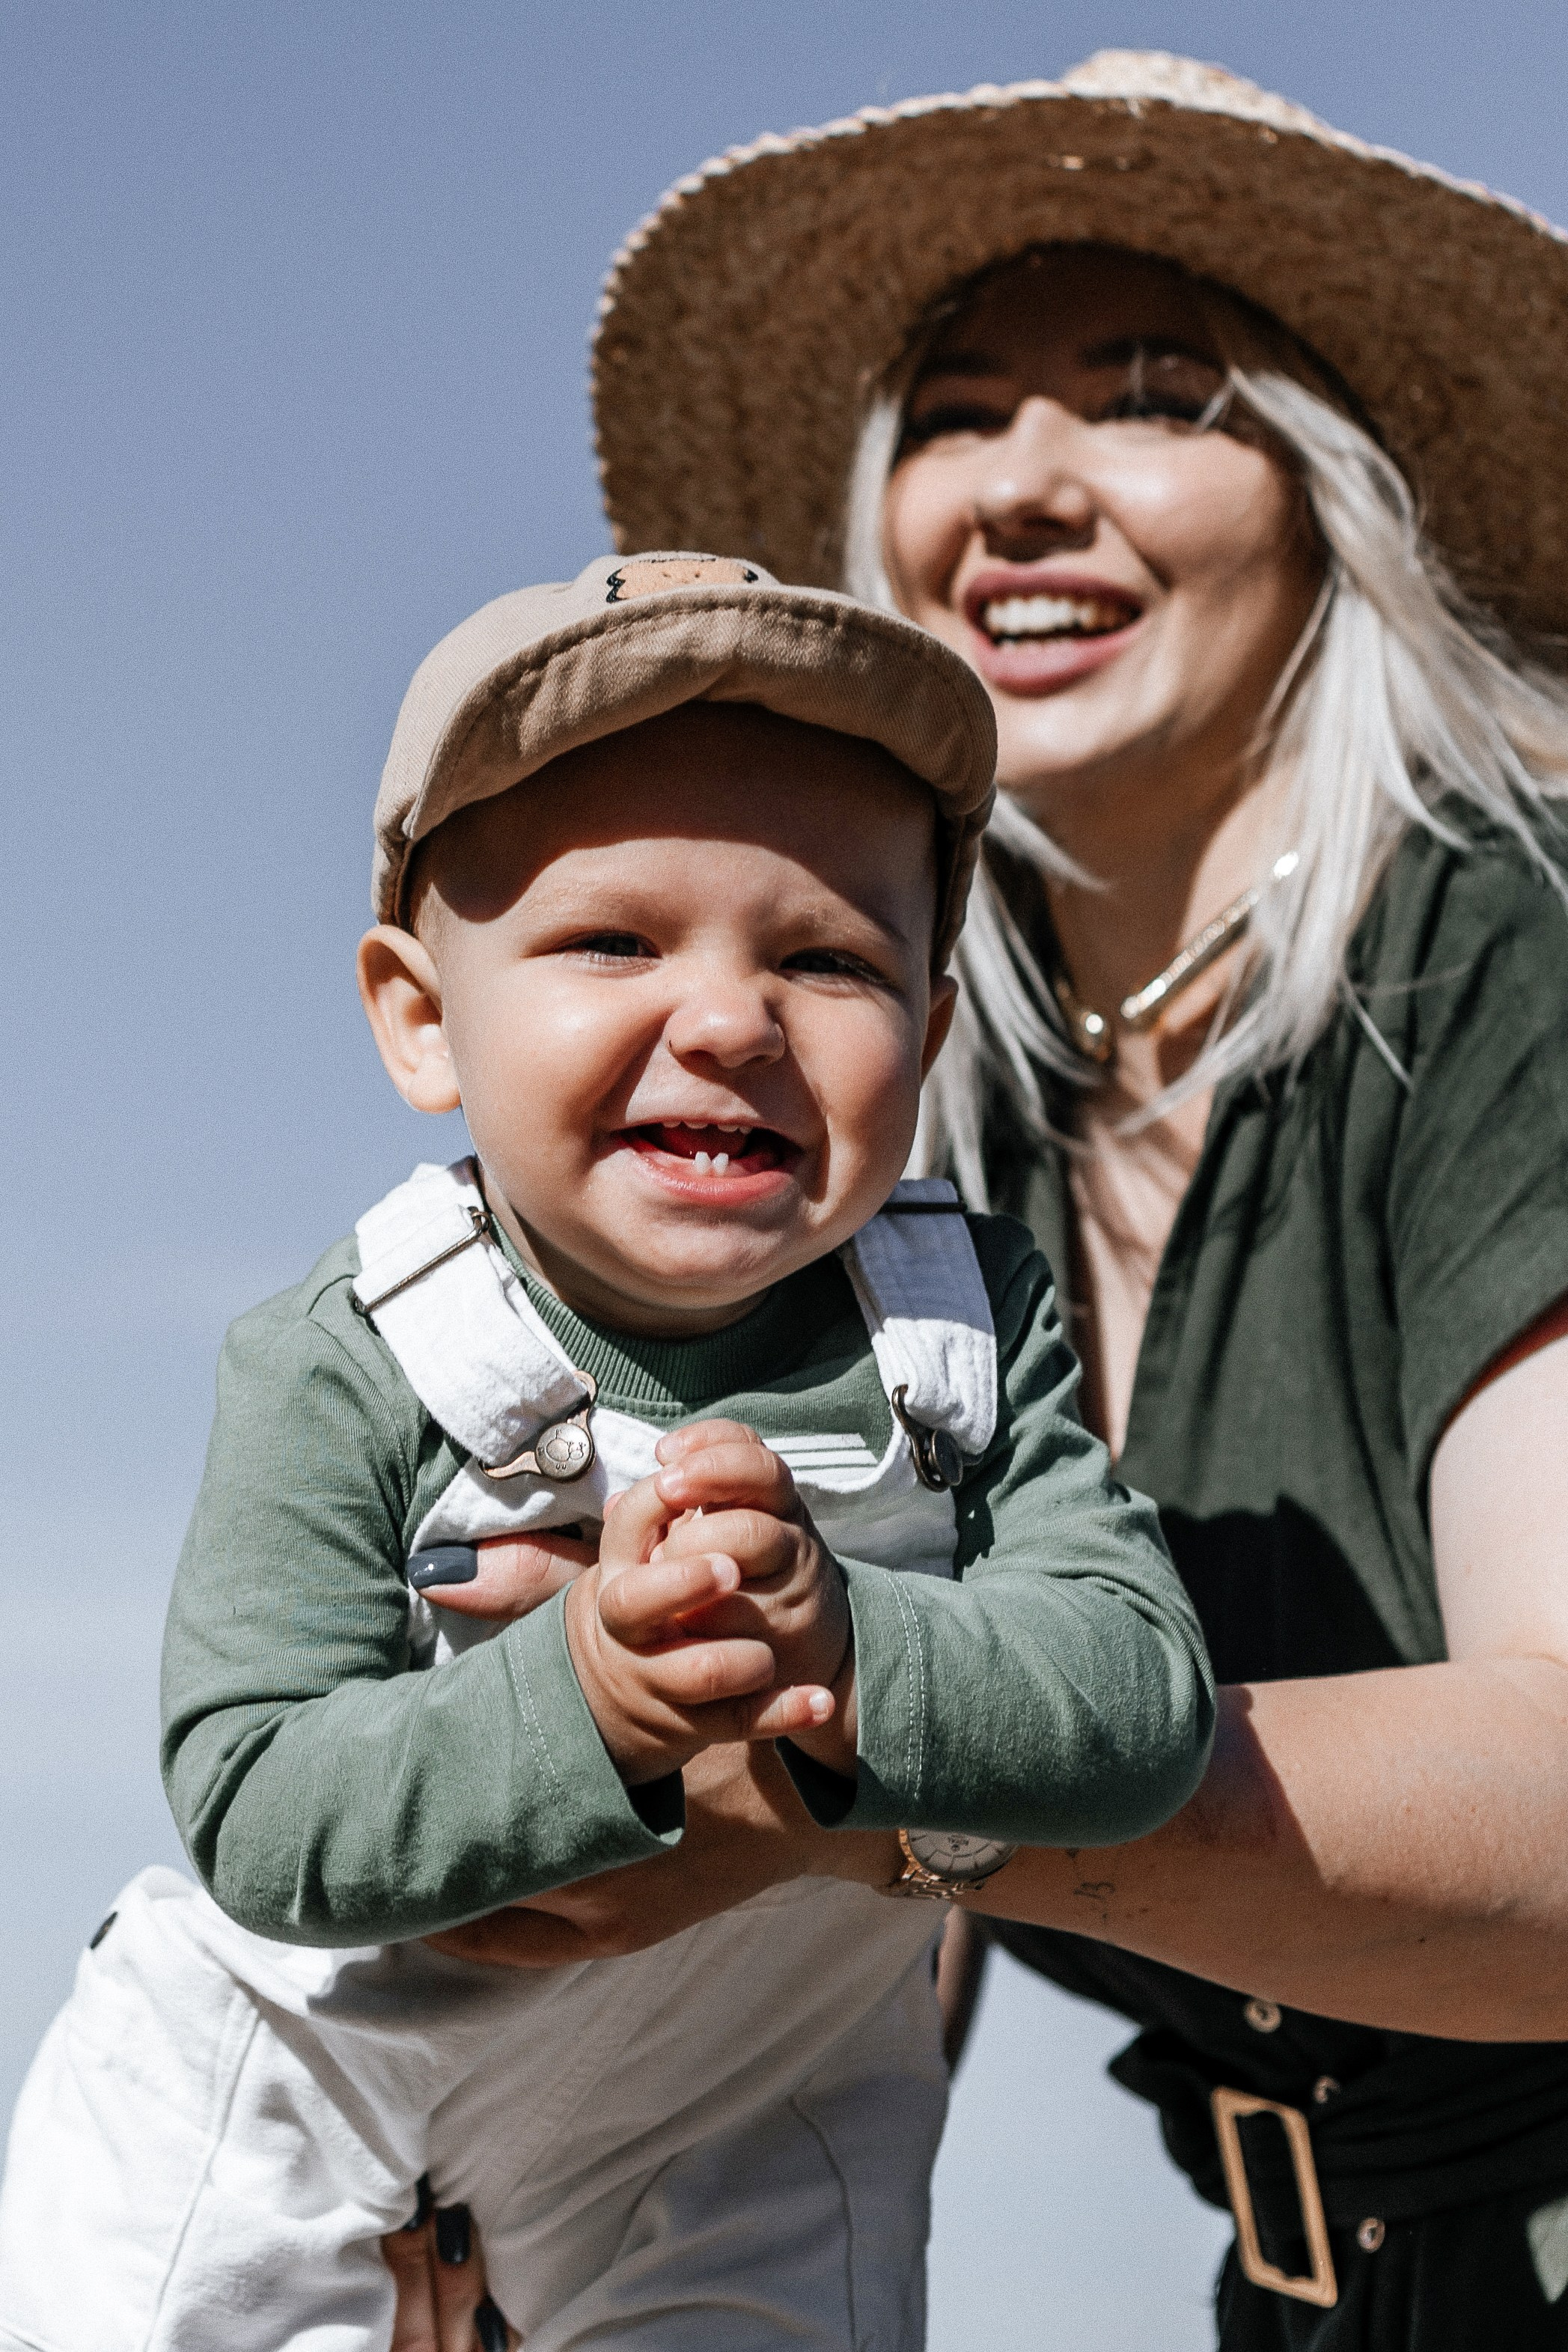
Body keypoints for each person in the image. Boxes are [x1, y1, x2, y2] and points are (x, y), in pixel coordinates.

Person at [437, 49, 1568, 2352]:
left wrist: (880, 1767)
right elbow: (871, 1914)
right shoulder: (912, 1104)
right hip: (1308, 2288)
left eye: (1157, 392)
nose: (1026, 484)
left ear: (1337, 500)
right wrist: (543, 2238)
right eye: (953, 416)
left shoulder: (1513, 956)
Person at [0, 551, 1216, 2352]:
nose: (730, 1017)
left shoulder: (967, 1324)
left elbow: (1141, 1694)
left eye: (826, 954)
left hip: (736, 2123)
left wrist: (847, 1653)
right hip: (300, 2107)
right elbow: (257, 1791)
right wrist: (590, 1692)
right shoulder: (354, 1348)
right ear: (422, 1015)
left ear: (933, 1027)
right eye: (613, 940)